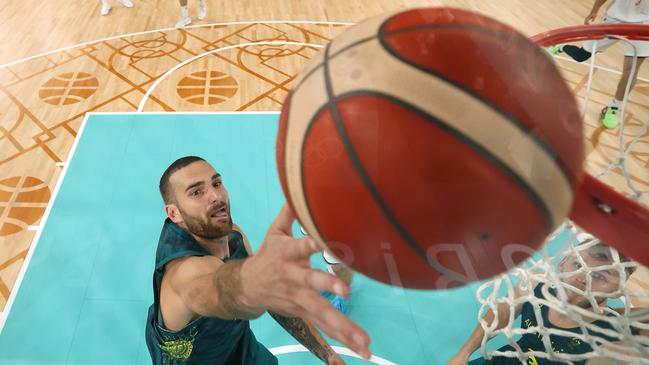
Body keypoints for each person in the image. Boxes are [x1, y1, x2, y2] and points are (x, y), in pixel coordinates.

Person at [145, 156, 371, 364]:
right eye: (196, 192)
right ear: (173, 213)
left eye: (216, 183)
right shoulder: (186, 273)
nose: (215, 196)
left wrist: (329, 356)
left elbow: (268, 299)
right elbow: (218, 291)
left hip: (239, 349)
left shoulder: (233, 236)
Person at [447, 238, 638, 365]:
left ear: (618, 291)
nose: (582, 278)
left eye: (599, 276)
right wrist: (464, 353)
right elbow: (502, 311)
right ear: (562, 262)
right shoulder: (535, 285)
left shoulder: (612, 333)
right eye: (578, 265)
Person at [547, 0, 649, 129]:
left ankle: (614, 107)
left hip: (644, 23)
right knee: (581, 55)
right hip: (616, 19)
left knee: (631, 71)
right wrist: (594, 10)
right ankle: (562, 47)